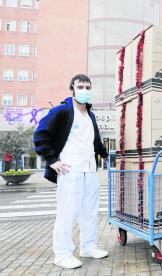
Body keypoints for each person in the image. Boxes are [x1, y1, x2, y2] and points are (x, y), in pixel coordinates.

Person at [34, 74, 109, 269]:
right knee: (67, 214)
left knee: (90, 212)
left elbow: (95, 141)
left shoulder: (90, 115)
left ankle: (88, 246)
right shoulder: (62, 111)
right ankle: (62, 254)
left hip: (90, 170)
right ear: (72, 89)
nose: (84, 90)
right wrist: (52, 161)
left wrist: (105, 154)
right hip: (70, 170)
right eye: (80, 86)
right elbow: (41, 134)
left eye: (88, 87)